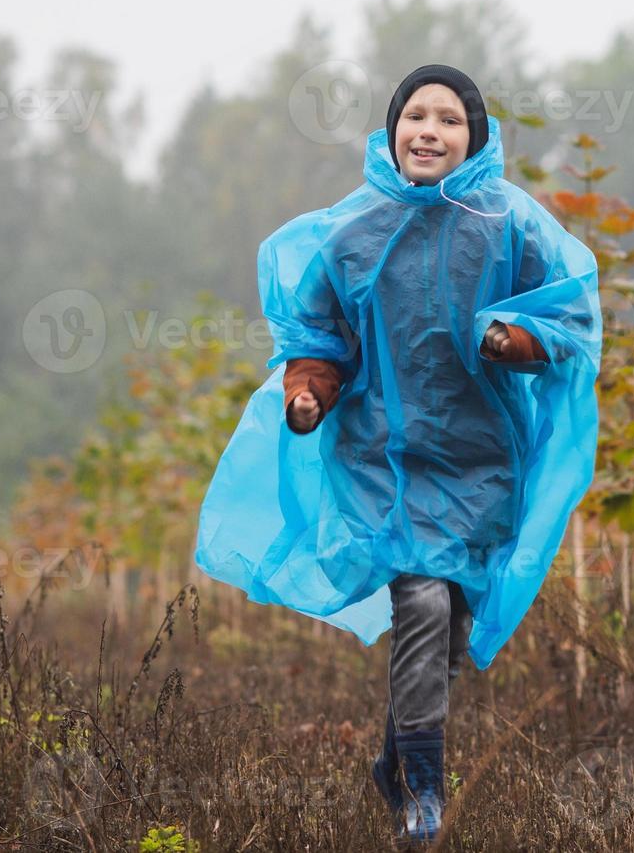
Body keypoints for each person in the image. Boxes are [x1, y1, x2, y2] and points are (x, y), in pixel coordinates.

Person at [195, 63, 601, 845]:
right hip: (380, 458)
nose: (429, 130)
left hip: (481, 458)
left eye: (449, 119)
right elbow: (316, 338)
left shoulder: (510, 224)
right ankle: (423, 785)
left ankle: (393, 760)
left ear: (473, 138)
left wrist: (508, 338)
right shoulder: (350, 232)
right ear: (390, 131)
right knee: (420, 596)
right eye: (415, 114)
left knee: (447, 618)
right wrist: (306, 396)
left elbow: (567, 320)